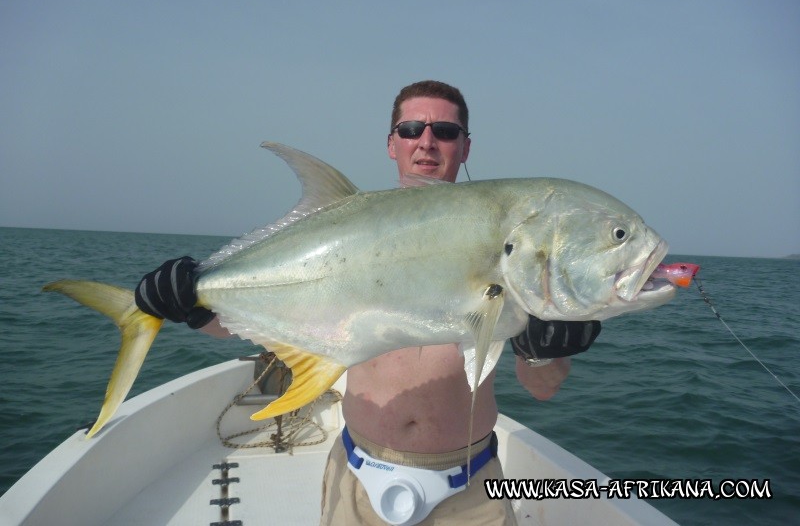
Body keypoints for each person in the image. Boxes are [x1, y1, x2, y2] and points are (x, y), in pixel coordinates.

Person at [135, 80, 600, 525]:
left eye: (445, 131)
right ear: (391, 143)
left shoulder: (511, 246)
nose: (427, 142)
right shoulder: (340, 238)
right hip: (358, 478)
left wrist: (545, 348)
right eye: (411, 129)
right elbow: (269, 328)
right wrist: (192, 308)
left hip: (469, 488)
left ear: (465, 147)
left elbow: (542, 387)